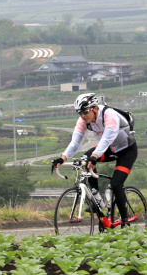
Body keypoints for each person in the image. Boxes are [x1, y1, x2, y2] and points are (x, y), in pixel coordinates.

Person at [51, 92, 137, 229]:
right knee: (85, 159)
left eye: (85, 112)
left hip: (126, 150)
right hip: (109, 148)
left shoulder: (109, 115)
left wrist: (95, 156)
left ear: (95, 108)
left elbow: (108, 137)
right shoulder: (83, 121)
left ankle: (126, 219)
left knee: (116, 184)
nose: (83, 116)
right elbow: (75, 142)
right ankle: (96, 196)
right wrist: (62, 158)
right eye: (80, 113)